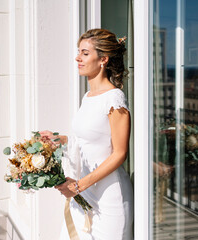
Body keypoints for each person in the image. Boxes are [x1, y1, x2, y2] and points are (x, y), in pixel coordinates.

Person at [40, 28, 133, 240]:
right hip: (85, 189)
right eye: (78, 52)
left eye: (84, 53)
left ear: (103, 60)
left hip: (108, 196)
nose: (77, 58)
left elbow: (119, 153)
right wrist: (59, 139)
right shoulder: (89, 95)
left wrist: (78, 186)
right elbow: (87, 140)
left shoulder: (115, 99)